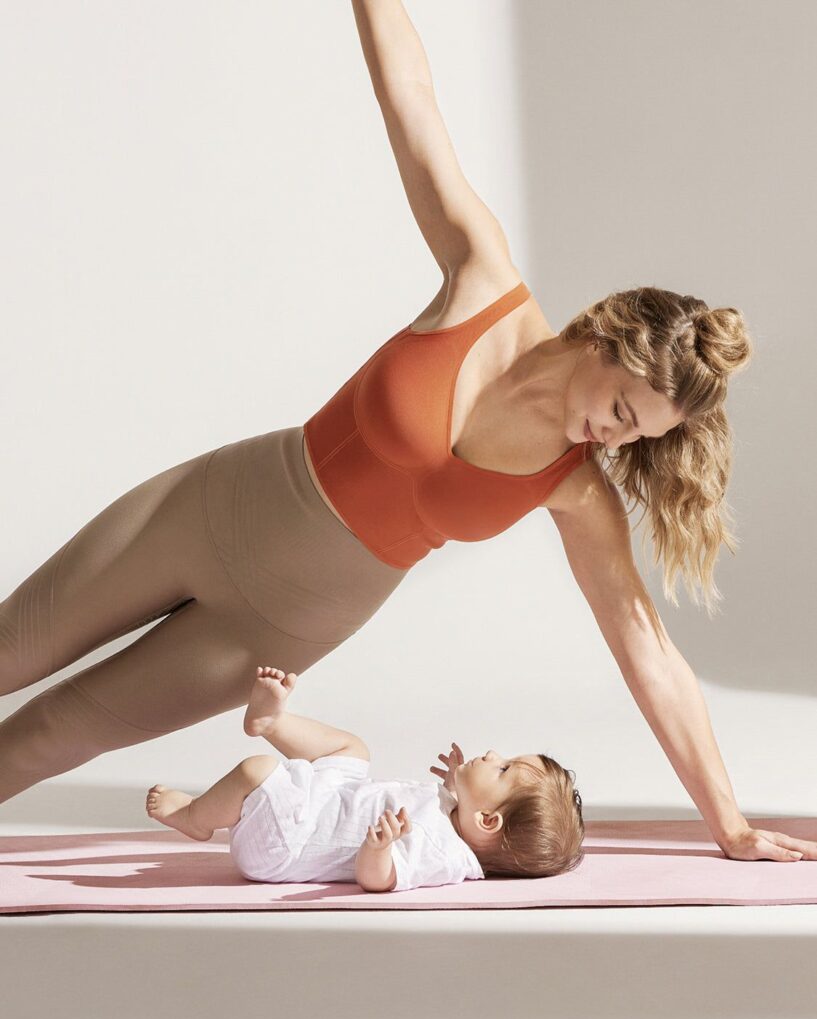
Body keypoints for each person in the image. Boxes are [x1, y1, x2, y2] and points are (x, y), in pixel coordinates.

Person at [1, 1, 813, 864]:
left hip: (280, 625)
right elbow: (410, 99)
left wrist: (726, 823)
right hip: (212, 512)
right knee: (12, 647)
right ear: (606, 338)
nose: (610, 439)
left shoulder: (573, 487)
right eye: (618, 410)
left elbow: (648, 654)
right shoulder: (481, 279)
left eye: (634, 436)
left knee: (52, 735)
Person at [146, 666, 586, 891]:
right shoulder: (459, 821)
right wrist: (459, 788)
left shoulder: (444, 857)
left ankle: (196, 817)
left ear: (488, 821)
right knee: (354, 749)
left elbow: (381, 880)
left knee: (255, 771)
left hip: (289, 844)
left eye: (503, 768)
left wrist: (378, 849)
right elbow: (455, 807)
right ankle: (271, 721)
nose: (494, 754)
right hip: (328, 803)